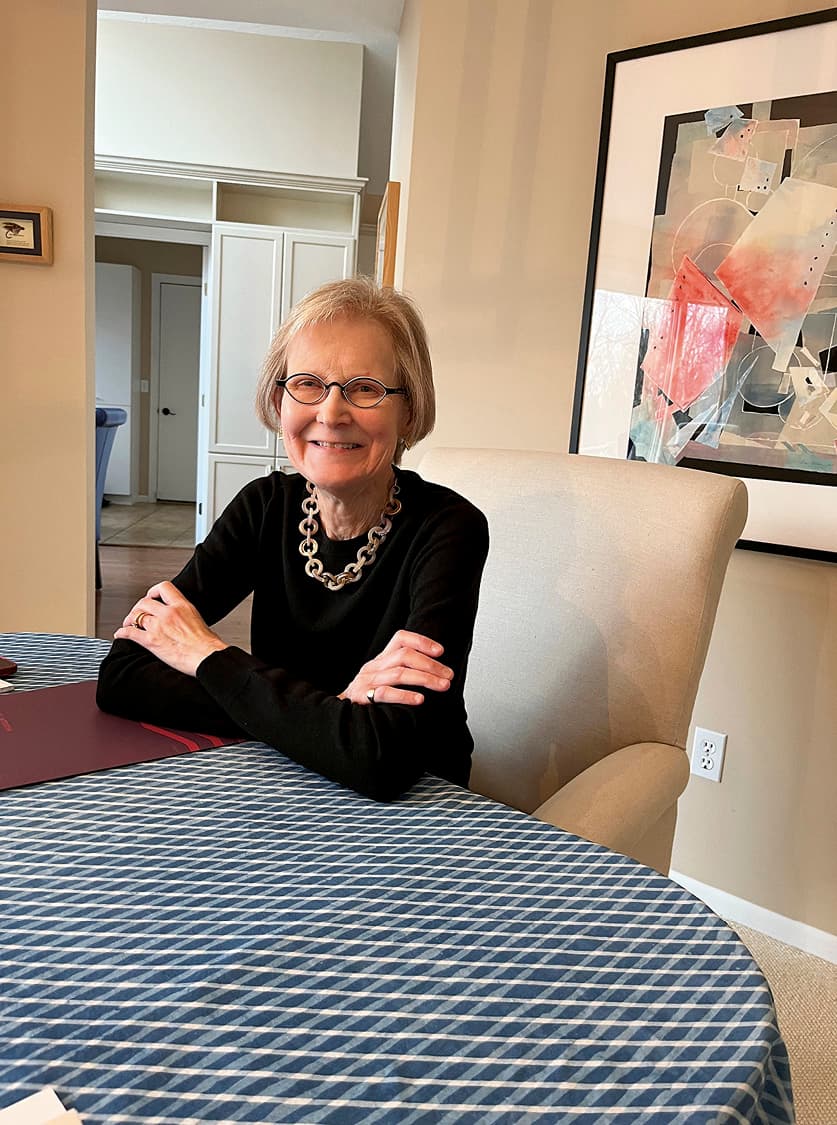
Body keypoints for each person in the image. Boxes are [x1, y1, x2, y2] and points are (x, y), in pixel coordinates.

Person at [96, 277, 489, 802]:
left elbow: (382, 758)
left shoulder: (449, 529)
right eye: (307, 384)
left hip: (419, 808)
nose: (330, 413)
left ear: (409, 411)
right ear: (279, 399)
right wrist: (334, 711)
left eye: (366, 388)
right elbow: (123, 675)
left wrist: (208, 656)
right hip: (285, 781)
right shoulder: (265, 506)